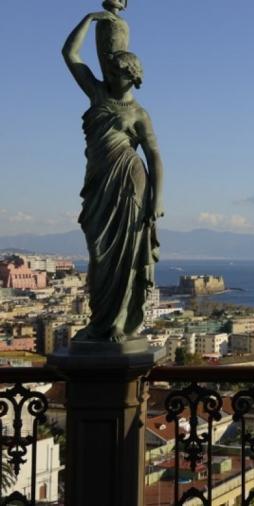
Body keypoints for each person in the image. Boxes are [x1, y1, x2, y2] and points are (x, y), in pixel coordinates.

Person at [62, 10, 163, 342]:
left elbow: (155, 155)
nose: (109, 76)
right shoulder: (97, 94)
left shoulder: (138, 114)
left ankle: (117, 324)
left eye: (116, 73)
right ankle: (100, 321)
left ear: (131, 77)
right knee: (100, 253)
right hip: (98, 183)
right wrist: (89, 19)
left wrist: (156, 200)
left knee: (124, 256)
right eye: (108, 70)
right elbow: (70, 54)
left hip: (130, 184)